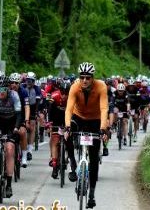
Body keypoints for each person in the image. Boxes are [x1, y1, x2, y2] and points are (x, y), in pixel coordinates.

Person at [64, 62, 109, 208]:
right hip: (78, 118)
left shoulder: (101, 86)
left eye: (88, 78)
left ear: (92, 78)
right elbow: (69, 109)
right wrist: (67, 127)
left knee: (94, 157)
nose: (84, 80)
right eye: (82, 77)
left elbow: (104, 108)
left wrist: (103, 129)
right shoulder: (75, 87)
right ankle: (72, 164)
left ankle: (92, 194)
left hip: (95, 120)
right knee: (67, 135)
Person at [47, 80, 71, 179]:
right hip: (56, 117)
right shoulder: (54, 96)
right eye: (62, 92)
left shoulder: (72, 98)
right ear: (59, 90)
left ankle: (67, 155)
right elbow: (50, 110)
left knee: (69, 138)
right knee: (54, 140)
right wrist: (49, 123)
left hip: (67, 119)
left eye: (66, 93)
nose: (64, 95)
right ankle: (54, 164)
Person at [8, 72, 31, 168]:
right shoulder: (6, 91)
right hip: (8, 116)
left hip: (20, 117)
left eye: (16, 83)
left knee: (22, 132)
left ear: (19, 84)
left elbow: (26, 107)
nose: (14, 85)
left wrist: (26, 120)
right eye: (12, 83)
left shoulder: (24, 92)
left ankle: (24, 156)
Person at [21, 72, 44, 161]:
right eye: (28, 80)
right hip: (23, 108)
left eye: (31, 81)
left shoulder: (37, 89)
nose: (29, 82)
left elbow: (37, 103)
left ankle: (30, 150)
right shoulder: (22, 86)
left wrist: (36, 113)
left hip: (33, 108)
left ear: (34, 81)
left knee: (32, 127)